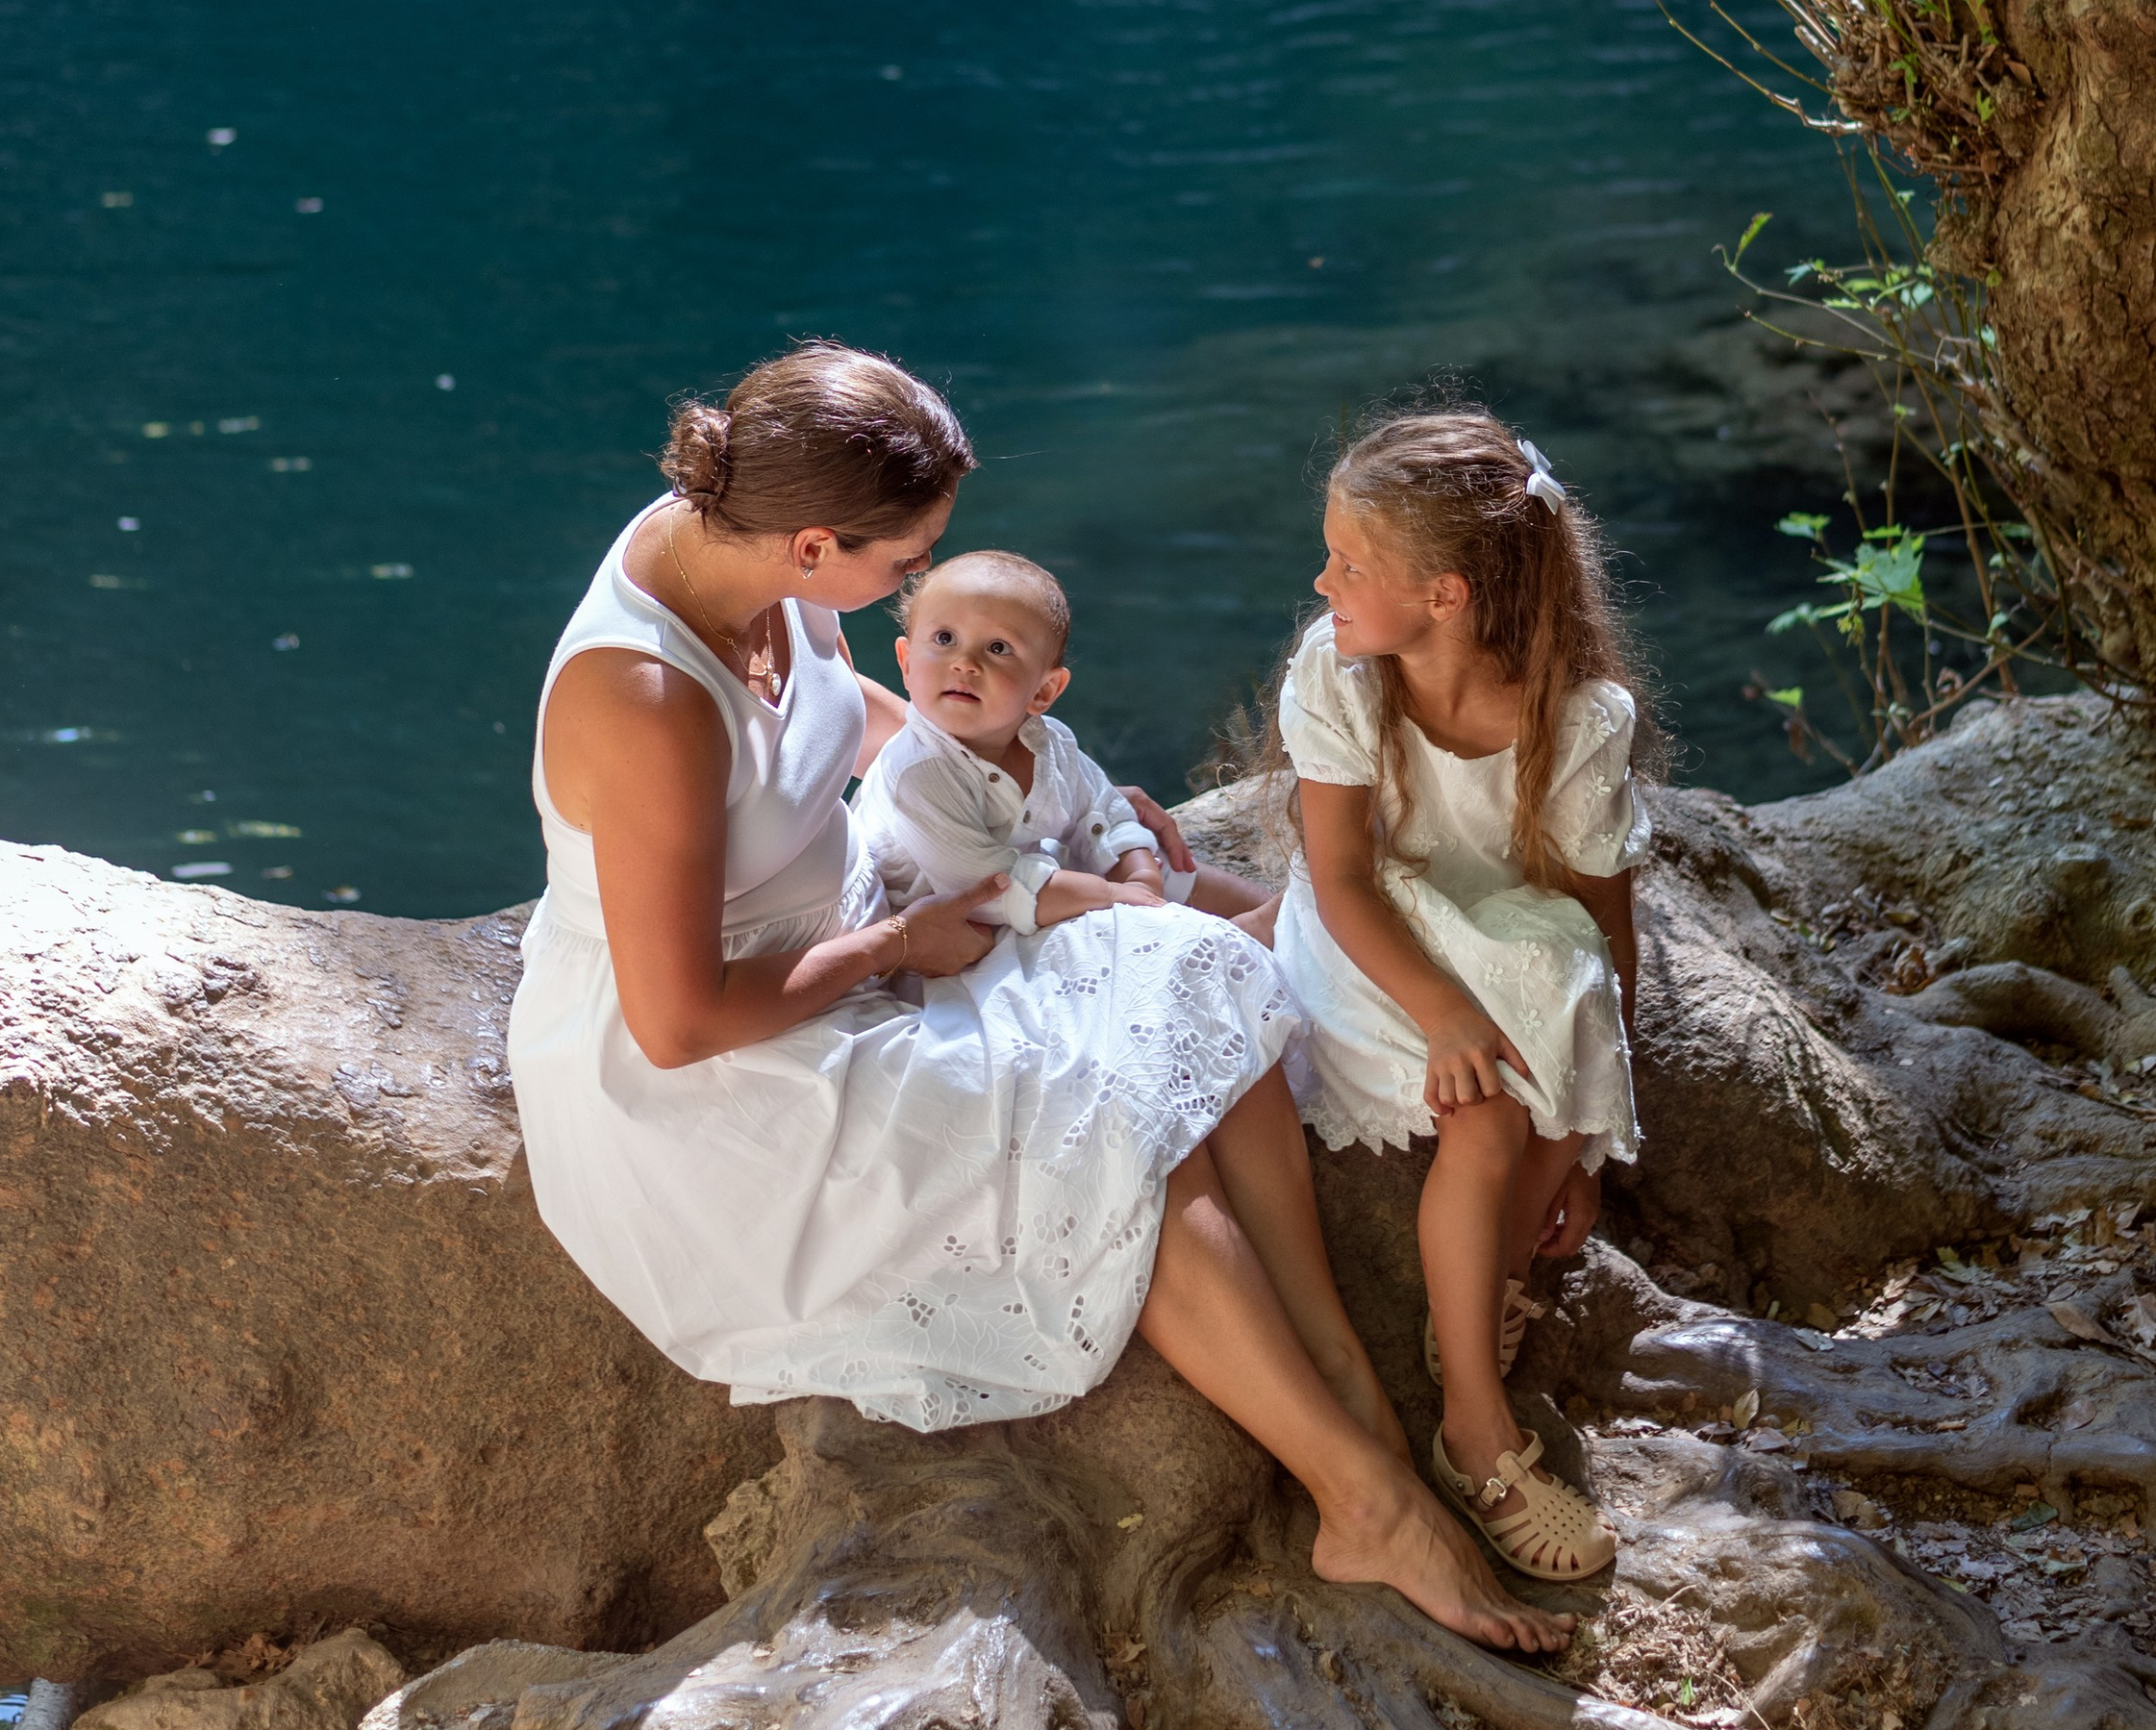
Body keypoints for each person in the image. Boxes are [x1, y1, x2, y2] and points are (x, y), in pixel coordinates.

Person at [508, 339, 1573, 1654]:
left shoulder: (738, 522)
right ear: (813, 545)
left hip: (857, 941)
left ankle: (1342, 1369)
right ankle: (1363, 1496)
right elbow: (679, 1021)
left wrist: (1014, 772)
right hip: (731, 1067)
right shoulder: (649, 695)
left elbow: (847, 711)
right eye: (906, 566)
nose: (920, 582)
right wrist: (905, 935)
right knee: (1112, 1143)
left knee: (1194, 964)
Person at [1267, 407, 1649, 1583]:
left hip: (1501, 929)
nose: (1321, 577)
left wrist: (1583, 1141)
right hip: (1369, 930)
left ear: (1445, 594)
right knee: (1480, 1112)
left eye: (1350, 562)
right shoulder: (1338, 676)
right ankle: (1475, 1436)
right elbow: (1337, 875)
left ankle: (1486, 1282)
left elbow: (1595, 923)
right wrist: (1442, 1012)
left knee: (1570, 1028)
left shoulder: (1574, 716)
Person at [853, 547, 1271, 934]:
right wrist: (1111, 895)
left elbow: (1102, 808)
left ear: (1044, 692)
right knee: (1120, 927)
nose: (964, 663)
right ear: (906, 664)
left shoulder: (1049, 743)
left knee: (1177, 874)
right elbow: (991, 890)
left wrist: (1139, 868)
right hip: (954, 928)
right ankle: (1243, 943)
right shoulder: (917, 772)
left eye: (998, 648)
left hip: (1030, 884)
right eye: (944, 639)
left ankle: (1286, 924)